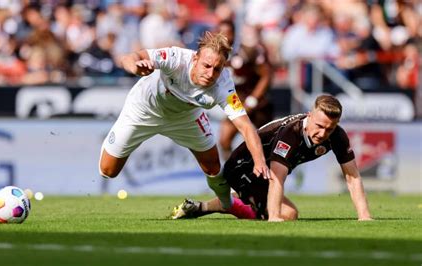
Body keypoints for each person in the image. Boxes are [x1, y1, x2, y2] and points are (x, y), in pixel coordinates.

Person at [99, 32, 269, 212]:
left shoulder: (224, 84)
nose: (211, 73)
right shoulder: (175, 58)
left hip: (185, 118)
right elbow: (130, 57)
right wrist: (135, 67)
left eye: (217, 69)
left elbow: (246, 127)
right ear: (195, 59)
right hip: (144, 109)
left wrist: (259, 162)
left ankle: (228, 205)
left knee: (213, 166)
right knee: (108, 171)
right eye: (207, 65)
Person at [171, 95, 372, 222]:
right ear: (309, 116)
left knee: (270, 206)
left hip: (263, 173)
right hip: (242, 168)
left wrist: (364, 217)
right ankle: (237, 205)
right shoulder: (291, 134)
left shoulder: (337, 135)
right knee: (288, 215)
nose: (323, 133)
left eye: (329, 128)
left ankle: (198, 207)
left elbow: (352, 176)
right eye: (319, 126)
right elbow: (277, 177)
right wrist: (274, 217)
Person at [216, 21, 274, 159]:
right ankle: (231, 174)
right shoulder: (214, 54)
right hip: (236, 101)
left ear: (234, 34)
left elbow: (266, 75)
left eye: (228, 33)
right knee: (224, 139)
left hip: (258, 103)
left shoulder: (248, 51)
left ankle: (284, 171)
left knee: (270, 142)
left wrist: (253, 100)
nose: (224, 37)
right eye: (221, 33)